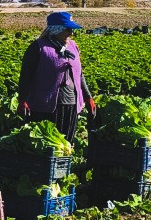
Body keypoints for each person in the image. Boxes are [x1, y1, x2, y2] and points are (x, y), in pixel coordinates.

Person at [17, 11, 95, 143]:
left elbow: (79, 74)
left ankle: (64, 164)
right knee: (47, 143)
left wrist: (88, 97)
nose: (71, 33)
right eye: (67, 29)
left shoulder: (73, 46)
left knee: (67, 143)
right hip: (45, 106)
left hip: (71, 104)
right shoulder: (39, 47)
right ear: (55, 29)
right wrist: (22, 100)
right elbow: (25, 76)